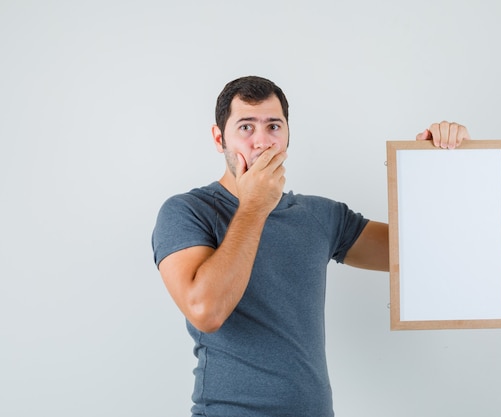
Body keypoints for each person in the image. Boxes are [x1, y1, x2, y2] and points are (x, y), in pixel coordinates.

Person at [151, 75, 470, 416]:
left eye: (274, 126)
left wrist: (438, 164)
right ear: (220, 138)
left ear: (287, 136)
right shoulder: (187, 211)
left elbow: (427, 252)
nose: (261, 142)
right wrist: (255, 206)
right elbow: (206, 311)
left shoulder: (319, 216)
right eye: (246, 127)